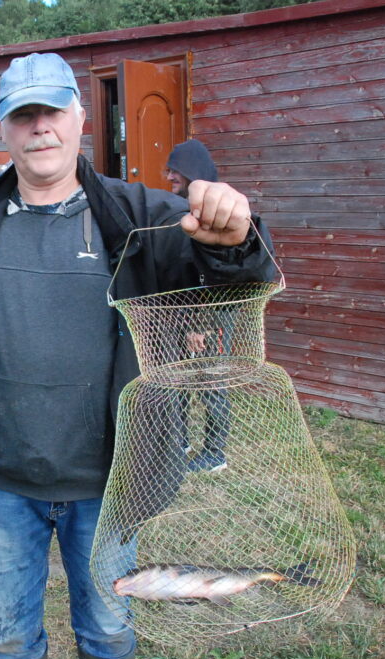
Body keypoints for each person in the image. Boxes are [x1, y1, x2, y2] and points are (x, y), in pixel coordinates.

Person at [0, 52, 276, 659]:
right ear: (3, 129)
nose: (39, 127)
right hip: (0, 482)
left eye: (52, 109)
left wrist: (235, 240)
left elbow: (232, 289)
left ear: (81, 117)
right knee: (7, 631)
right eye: (23, 115)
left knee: (107, 624)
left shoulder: (140, 217)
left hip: (108, 482)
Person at [166, 139, 232, 473]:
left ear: (191, 170)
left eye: (174, 169)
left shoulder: (213, 210)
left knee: (210, 382)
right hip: (181, 313)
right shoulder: (180, 207)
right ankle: (180, 440)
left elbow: (212, 276)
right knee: (178, 378)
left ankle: (215, 453)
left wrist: (201, 324)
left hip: (211, 316)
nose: (168, 176)